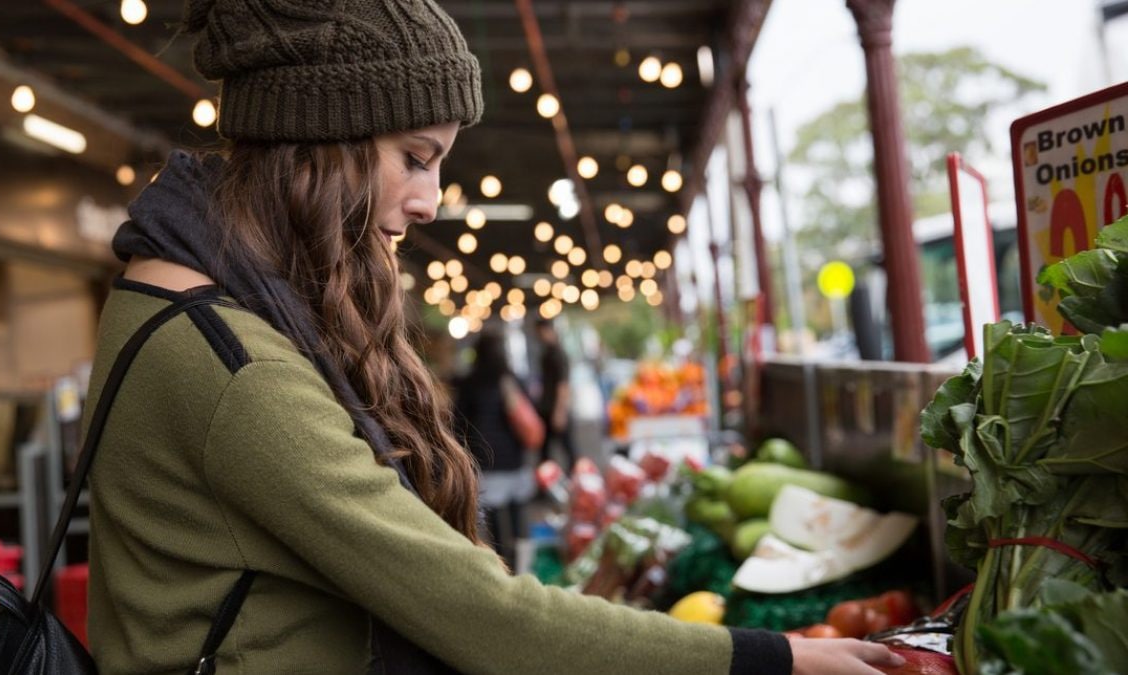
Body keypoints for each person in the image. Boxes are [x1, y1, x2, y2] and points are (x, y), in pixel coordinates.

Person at [83, 0, 906, 672]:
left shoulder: (166, 299)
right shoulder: (236, 369)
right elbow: (489, 622)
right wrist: (779, 659)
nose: (431, 199)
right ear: (326, 140)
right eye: (415, 155)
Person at [453, 328, 535, 571]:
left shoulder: (470, 382)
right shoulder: (513, 380)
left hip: (486, 461)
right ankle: (525, 568)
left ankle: (505, 568)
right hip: (515, 460)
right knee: (519, 517)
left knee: (496, 525)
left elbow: (458, 423)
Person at [535, 317, 576, 471]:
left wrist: (560, 411)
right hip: (547, 408)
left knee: (567, 448)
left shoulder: (558, 354)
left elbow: (563, 385)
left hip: (555, 408)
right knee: (546, 451)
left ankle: (576, 479)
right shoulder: (547, 353)